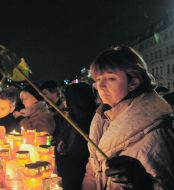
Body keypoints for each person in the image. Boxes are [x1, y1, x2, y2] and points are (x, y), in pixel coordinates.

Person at [82, 46, 174, 190]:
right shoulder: (103, 119)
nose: (101, 85)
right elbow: (93, 168)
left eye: (111, 78)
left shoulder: (158, 131)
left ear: (133, 82)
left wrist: (143, 184)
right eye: (98, 79)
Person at [56, 83, 97, 190]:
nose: (64, 103)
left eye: (65, 99)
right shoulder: (73, 121)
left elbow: (77, 162)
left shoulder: (89, 127)